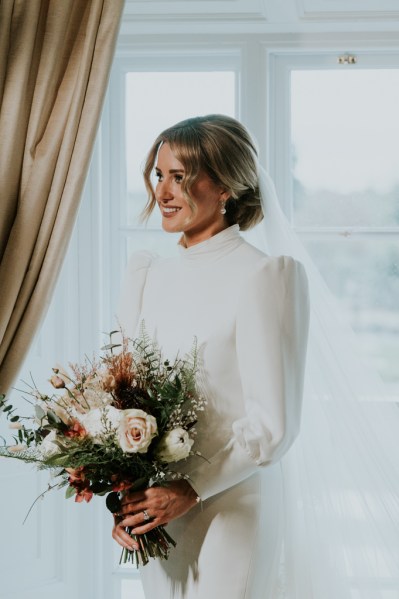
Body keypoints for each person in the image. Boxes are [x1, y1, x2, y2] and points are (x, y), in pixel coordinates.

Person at [112, 114, 310, 598]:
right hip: (155, 512)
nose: (163, 192)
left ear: (224, 185)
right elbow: (122, 403)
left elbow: (271, 424)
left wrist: (190, 489)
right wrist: (124, 502)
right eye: (159, 175)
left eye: (180, 177)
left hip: (233, 506)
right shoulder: (146, 276)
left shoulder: (265, 277)